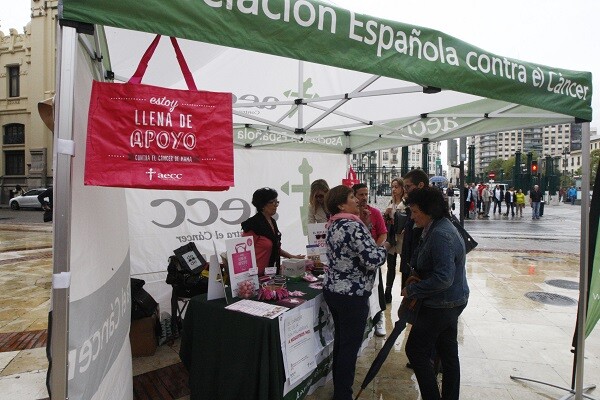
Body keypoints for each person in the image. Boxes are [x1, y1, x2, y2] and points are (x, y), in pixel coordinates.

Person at [401, 186, 469, 400]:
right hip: (450, 302)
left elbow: (443, 277)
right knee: (448, 354)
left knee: (416, 351)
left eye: (414, 212)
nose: (412, 217)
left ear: (428, 210)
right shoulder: (438, 226)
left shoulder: (440, 234)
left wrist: (412, 289)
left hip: (441, 304)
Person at [322, 185, 390, 400]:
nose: (357, 200)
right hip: (351, 295)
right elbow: (372, 260)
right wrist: (384, 248)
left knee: (342, 344)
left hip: (335, 291)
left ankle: (340, 391)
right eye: (352, 197)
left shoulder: (334, 223)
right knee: (348, 348)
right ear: (342, 204)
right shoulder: (352, 226)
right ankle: (343, 395)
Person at [241, 187, 304, 276]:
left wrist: (292, 257)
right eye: (272, 202)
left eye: (276, 202)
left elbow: (275, 247)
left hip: (271, 274)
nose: (275, 205)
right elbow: (244, 252)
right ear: (262, 205)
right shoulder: (252, 224)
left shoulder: (272, 221)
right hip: (255, 276)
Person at [353, 183, 388, 337]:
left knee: (377, 289)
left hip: (372, 259)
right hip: (355, 262)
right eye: (361, 194)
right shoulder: (351, 215)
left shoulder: (375, 212)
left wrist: (374, 248)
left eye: (366, 194)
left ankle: (379, 319)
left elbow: (383, 234)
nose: (364, 197)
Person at [383, 178, 408, 303]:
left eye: (396, 187)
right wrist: (386, 215)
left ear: (402, 188)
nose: (394, 189)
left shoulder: (406, 203)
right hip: (392, 238)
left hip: (403, 239)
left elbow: (410, 219)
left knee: (405, 266)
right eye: (392, 186)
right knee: (390, 266)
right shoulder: (390, 202)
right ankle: (388, 292)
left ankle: (405, 293)